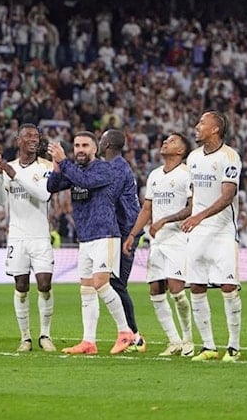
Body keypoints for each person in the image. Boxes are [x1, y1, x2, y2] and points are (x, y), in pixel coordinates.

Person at [46, 132, 135, 355]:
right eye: (76, 145)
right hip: (85, 237)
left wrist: (64, 161)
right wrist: (58, 165)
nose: (80, 149)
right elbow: (52, 186)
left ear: (95, 149)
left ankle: (126, 333)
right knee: (86, 289)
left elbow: (85, 182)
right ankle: (89, 341)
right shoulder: (75, 170)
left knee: (101, 284)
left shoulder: (105, 169)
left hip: (105, 234)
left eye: (85, 145)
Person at [123, 132, 195, 357]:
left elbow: (192, 207)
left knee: (177, 291)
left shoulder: (187, 174)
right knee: (155, 290)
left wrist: (164, 220)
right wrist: (133, 234)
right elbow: (147, 208)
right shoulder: (154, 175)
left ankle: (188, 340)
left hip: (178, 239)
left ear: (181, 151)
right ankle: (173, 341)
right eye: (165, 140)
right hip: (157, 242)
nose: (165, 142)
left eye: (172, 141)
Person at [181, 111, 243, 362]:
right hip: (197, 232)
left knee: (228, 287)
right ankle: (208, 346)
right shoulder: (193, 157)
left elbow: (227, 196)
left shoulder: (230, 156)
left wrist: (199, 216)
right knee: (197, 286)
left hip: (222, 231)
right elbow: (195, 193)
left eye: (201, 124)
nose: (196, 127)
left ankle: (233, 346)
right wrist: (191, 216)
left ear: (215, 129)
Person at [0, 123, 57, 352]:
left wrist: (14, 175)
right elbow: (0, 201)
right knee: (21, 285)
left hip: (40, 236)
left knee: (44, 284)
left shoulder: (46, 167)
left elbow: (44, 194)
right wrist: (0, 176)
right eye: (28, 136)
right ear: (18, 140)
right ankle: (25, 337)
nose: (33, 139)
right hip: (17, 237)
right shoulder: (9, 168)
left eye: (36, 136)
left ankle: (45, 334)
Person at [99, 128, 145, 352]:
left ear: (107, 144)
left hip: (126, 231)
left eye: (100, 140)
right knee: (114, 284)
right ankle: (130, 334)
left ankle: (134, 335)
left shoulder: (116, 167)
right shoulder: (117, 165)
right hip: (121, 230)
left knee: (117, 284)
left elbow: (107, 196)